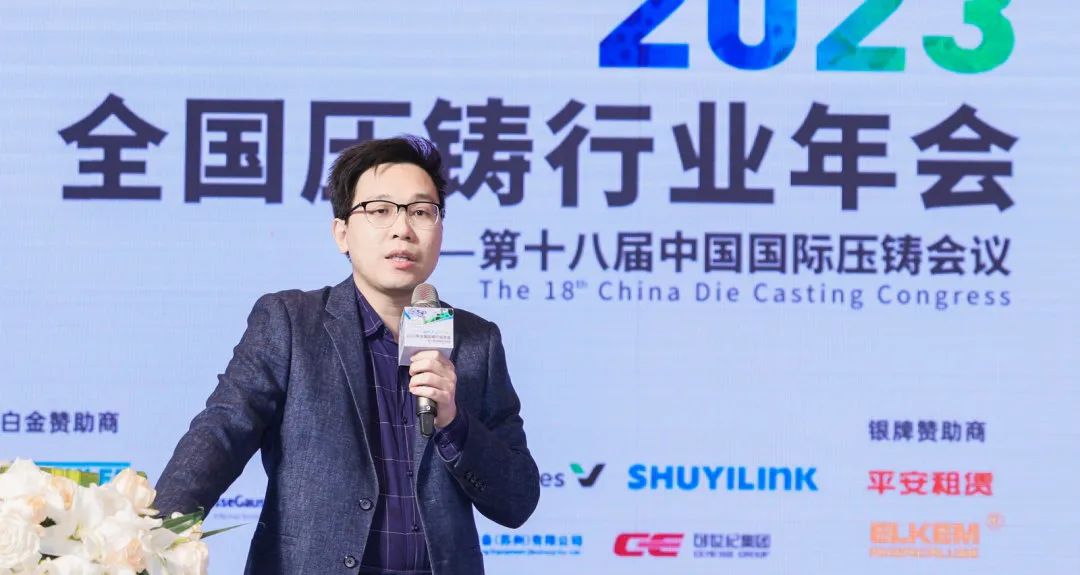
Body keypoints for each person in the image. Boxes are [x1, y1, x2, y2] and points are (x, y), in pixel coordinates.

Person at [154, 135, 540, 575]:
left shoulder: (475, 342)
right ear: (342, 233)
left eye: (420, 212)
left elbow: (518, 500)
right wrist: (150, 538)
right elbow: (221, 432)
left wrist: (454, 422)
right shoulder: (292, 323)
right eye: (380, 210)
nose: (402, 229)